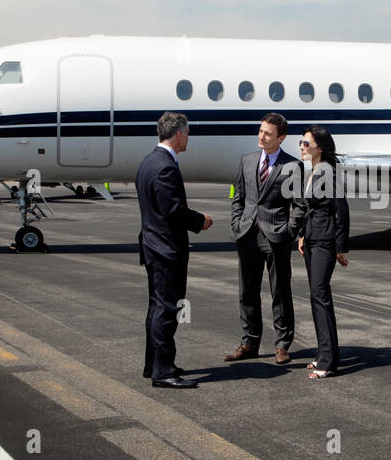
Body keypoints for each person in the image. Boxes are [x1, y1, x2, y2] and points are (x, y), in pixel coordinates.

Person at [136, 112, 212, 389]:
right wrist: (199, 221)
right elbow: (172, 210)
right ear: (179, 134)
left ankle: (153, 364)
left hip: (153, 246)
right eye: (188, 133)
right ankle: (163, 372)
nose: (188, 138)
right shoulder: (165, 167)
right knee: (167, 310)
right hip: (166, 250)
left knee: (156, 308)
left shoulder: (149, 161)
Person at [224, 114, 301, 365]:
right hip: (247, 234)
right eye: (260, 131)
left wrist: (289, 232)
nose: (261, 136)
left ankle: (282, 345)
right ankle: (249, 342)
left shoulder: (292, 166)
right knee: (247, 291)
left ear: (281, 137)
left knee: (280, 291)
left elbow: (299, 206)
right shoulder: (247, 161)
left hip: (276, 236)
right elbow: (238, 196)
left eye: (267, 133)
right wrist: (236, 223)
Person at [291, 125, 349, 379]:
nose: (302, 147)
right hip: (313, 239)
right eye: (301, 143)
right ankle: (325, 354)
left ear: (319, 148)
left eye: (306, 143)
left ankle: (328, 361)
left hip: (325, 241)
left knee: (320, 295)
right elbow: (309, 209)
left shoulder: (330, 173)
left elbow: (342, 211)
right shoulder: (314, 172)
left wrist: (340, 246)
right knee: (316, 297)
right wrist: (303, 235)